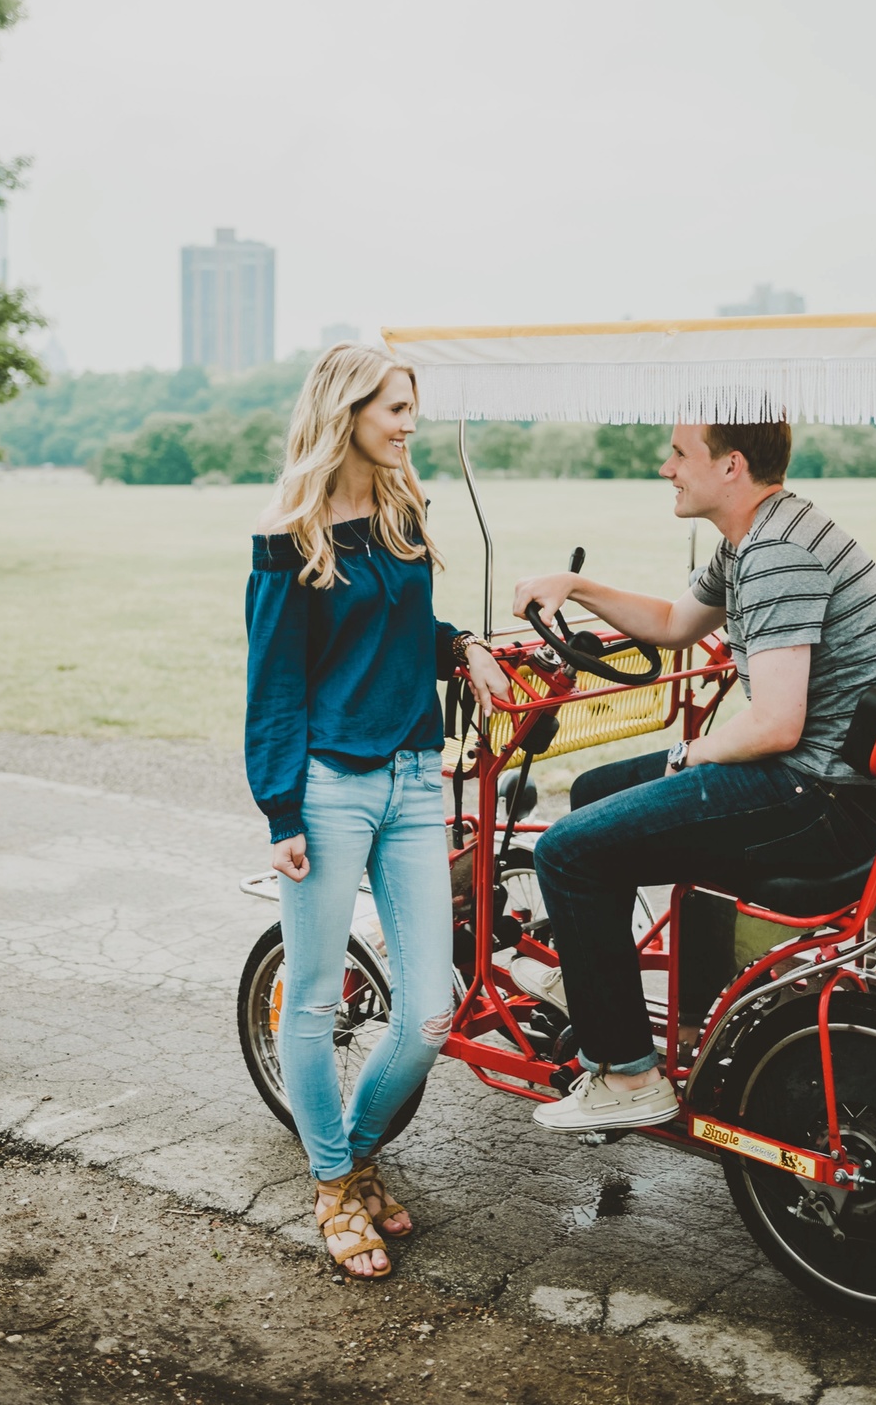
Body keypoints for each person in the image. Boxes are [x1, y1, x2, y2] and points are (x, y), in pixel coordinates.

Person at [508, 419, 876, 1132]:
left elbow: (774, 726)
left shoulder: (778, 553)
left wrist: (682, 758)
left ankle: (629, 1076)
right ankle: (596, 981)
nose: (665, 467)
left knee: (563, 850)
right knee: (593, 792)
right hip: (826, 781)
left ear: (731, 465)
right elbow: (671, 623)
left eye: (678, 453)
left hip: (818, 799)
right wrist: (573, 586)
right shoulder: (755, 536)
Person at [246, 345, 510, 1280]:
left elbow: (399, 633)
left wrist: (463, 647)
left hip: (412, 775)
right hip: (325, 786)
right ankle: (331, 1185)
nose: (408, 423)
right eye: (395, 408)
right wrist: (280, 810)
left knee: (431, 1010)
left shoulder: (403, 508)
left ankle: (352, 1154)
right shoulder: (291, 533)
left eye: (411, 407)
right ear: (348, 409)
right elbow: (275, 684)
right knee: (314, 1001)